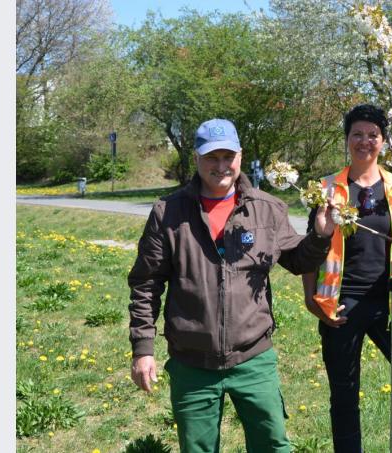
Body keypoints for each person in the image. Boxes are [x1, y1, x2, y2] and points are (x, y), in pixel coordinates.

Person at [128, 118, 335, 453]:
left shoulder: (267, 209)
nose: (221, 165)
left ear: (240, 156)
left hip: (254, 359)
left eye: (228, 156)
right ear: (196, 158)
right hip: (191, 363)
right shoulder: (168, 213)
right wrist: (143, 349)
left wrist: (321, 236)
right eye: (212, 157)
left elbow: (298, 261)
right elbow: (146, 284)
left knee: (273, 446)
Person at [301, 104, 392, 453]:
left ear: (383, 141)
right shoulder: (327, 189)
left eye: (373, 135)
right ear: (347, 139)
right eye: (357, 134)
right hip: (341, 304)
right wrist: (311, 300)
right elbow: (310, 248)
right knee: (345, 395)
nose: (365, 141)